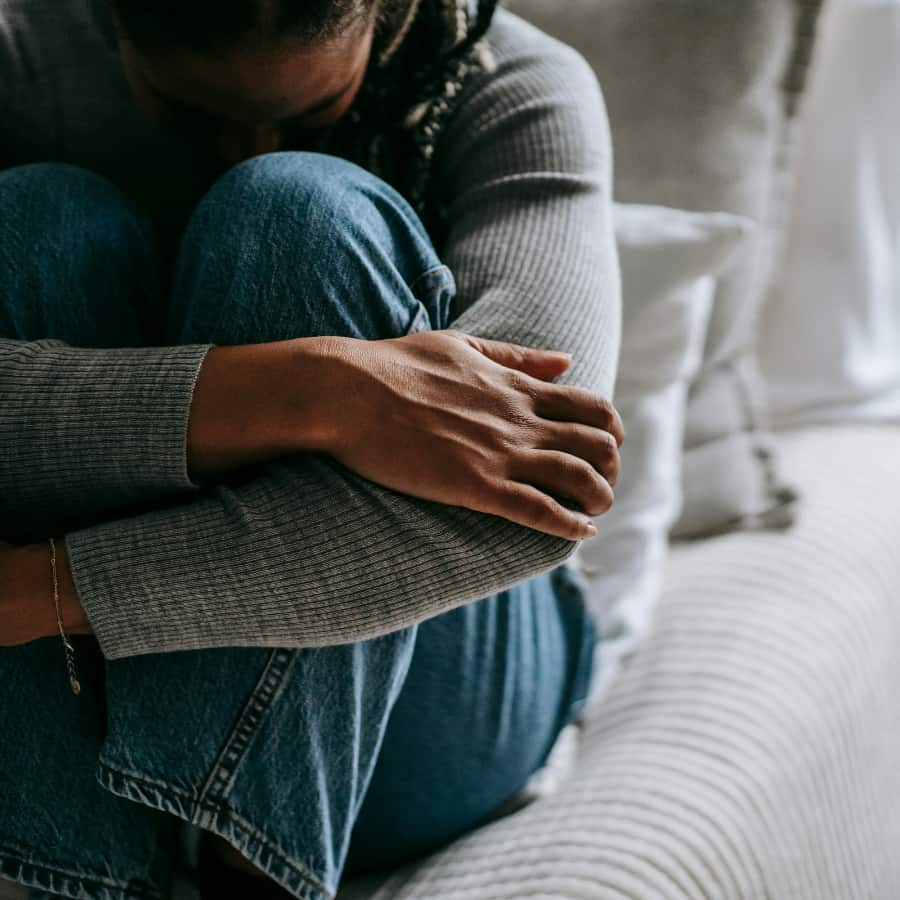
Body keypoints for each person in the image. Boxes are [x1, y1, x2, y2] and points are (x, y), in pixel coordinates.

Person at [0, 0, 622, 897]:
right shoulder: (23, 57)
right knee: (30, 221)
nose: (241, 146)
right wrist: (322, 390)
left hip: (436, 677)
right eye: (191, 113)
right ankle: (78, 872)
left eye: (313, 112)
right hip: (84, 679)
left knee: (296, 212)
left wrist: (32, 591)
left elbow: (541, 506)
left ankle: (248, 871)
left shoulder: (509, 87)